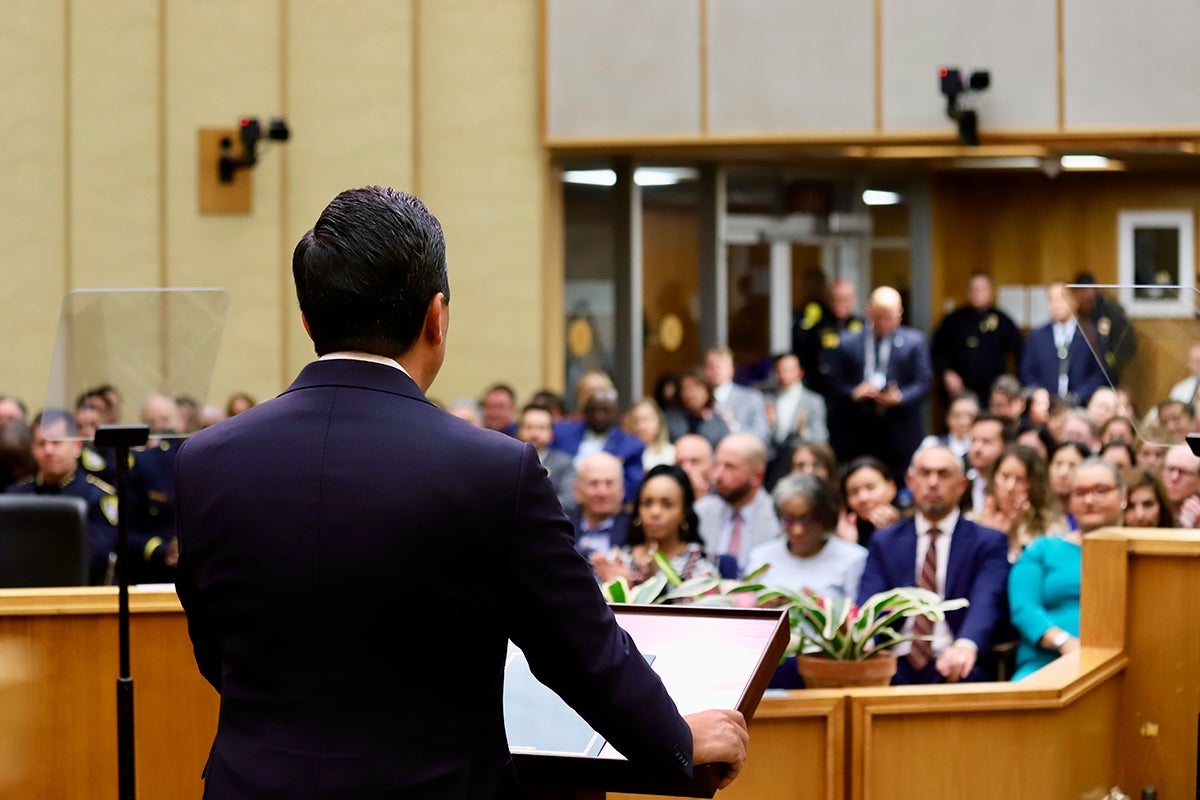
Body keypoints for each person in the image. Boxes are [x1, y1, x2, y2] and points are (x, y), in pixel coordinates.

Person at [174, 186, 747, 798]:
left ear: (309, 319)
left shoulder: (205, 460)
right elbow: (581, 652)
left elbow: (216, 651)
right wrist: (676, 741)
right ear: (437, 317)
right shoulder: (494, 471)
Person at [857, 444, 1011, 685]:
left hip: (956, 662)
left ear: (961, 485)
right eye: (924, 473)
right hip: (892, 663)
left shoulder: (987, 542)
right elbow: (870, 601)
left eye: (943, 474)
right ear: (910, 481)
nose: (932, 482)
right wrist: (865, 643)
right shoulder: (885, 541)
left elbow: (986, 601)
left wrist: (965, 646)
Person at [1008, 458, 1125, 680]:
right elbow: (1024, 607)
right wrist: (1063, 641)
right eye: (1080, 493)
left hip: (1123, 666)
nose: (1089, 500)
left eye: (1101, 491)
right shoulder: (1042, 549)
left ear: (1123, 495)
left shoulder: (1142, 552)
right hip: (1047, 663)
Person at [825, 286, 933, 483]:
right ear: (869, 312)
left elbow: (924, 383)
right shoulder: (847, 342)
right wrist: (853, 392)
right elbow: (833, 383)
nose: (884, 322)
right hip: (858, 428)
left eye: (889, 316)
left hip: (899, 429)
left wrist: (900, 397)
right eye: (879, 315)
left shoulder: (914, 342)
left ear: (899, 314)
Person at [6, 409, 121, 584]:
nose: (48, 450)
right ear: (32, 449)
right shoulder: (16, 495)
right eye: (41, 443)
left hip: (80, 593)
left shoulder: (97, 497)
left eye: (56, 442)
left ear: (76, 445)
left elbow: (96, 557)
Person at [590, 464, 718, 593]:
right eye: (647, 503)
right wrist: (619, 588)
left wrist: (645, 585)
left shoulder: (699, 564)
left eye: (667, 505)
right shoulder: (617, 561)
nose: (655, 512)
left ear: (684, 512)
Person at [746, 473, 867, 603]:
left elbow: (858, 615)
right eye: (789, 520)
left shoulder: (853, 559)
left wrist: (819, 608)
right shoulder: (761, 557)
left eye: (807, 520)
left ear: (824, 518)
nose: (798, 531)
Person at [694, 433, 782, 577]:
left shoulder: (778, 519)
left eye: (730, 467)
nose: (717, 475)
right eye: (716, 465)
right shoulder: (700, 512)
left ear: (757, 476)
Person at [931, 272, 1023, 403]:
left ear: (991, 292)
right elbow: (937, 351)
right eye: (973, 289)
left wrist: (1010, 386)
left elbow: (1020, 353)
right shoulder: (953, 320)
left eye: (981, 289)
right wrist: (946, 373)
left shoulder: (1003, 321)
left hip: (993, 395)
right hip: (959, 391)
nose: (976, 293)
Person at [1019, 282, 1108, 405]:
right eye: (1051, 300)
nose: (1056, 305)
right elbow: (1027, 371)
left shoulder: (1091, 334)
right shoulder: (1037, 336)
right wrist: (1038, 391)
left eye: (1061, 299)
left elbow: (1099, 374)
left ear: (1074, 301)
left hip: (1081, 405)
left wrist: (1078, 396)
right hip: (1046, 406)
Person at [972, 444, 1062, 562]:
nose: (1010, 487)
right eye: (1004, 476)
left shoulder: (1051, 529)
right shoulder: (973, 522)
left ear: (1035, 485)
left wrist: (1013, 537)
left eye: (1020, 480)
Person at [552, 387, 644, 502]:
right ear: (585, 412)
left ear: (616, 413)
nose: (599, 415)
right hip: (563, 503)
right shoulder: (562, 433)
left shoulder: (631, 446)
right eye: (594, 410)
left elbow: (631, 487)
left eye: (605, 410)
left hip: (604, 504)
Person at [568, 451, 630, 559]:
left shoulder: (635, 530)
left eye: (609, 483)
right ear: (577, 490)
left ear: (622, 489)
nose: (602, 492)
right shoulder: (562, 529)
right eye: (593, 483)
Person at [516, 403, 576, 514]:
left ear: (551, 433)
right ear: (519, 430)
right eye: (529, 427)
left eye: (541, 428)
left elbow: (569, 500)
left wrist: (533, 507)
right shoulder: (510, 460)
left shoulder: (564, 463)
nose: (535, 434)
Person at [704, 347, 770, 445]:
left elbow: (762, 436)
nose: (715, 370)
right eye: (711, 366)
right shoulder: (699, 399)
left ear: (731, 369)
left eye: (719, 366)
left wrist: (734, 426)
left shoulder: (752, 398)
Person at [836, 456, 900, 549]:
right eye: (854, 492)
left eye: (871, 487)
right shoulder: (843, 533)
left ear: (892, 487)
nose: (863, 498)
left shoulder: (914, 523)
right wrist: (847, 545)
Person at [664, 369, 731, 448]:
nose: (690, 394)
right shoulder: (669, 419)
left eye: (696, 387)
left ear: (707, 390)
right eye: (685, 388)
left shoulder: (718, 423)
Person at [1048, 441, 1091, 530]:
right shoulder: (1034, 514)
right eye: (1058, 464)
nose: (1063, 473)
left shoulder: (1090, 519)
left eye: (1072, 466)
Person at [627, 398, 675, 471]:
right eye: (635, 421)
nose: (641, 426)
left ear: (659, 421)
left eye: (646, 419)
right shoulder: (625, 455)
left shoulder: (671, 453)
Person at [674, 433, 715, 500]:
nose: (686, 469)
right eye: (679, 463)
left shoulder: (726, 497)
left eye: (695, 462)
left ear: (712, 466)